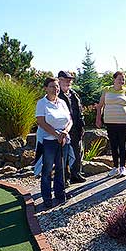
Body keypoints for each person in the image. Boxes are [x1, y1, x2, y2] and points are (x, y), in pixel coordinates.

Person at [36, 77, 72, 208]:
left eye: (57, 86)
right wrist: (56, 134)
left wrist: (65, 132)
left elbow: (70, 120)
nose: (55, 89)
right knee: (47, 170)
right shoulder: (42, 103)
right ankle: (47, 198)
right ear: (46, 88)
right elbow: (41, 122)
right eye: (52, 86)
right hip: (48, 142)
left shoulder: (62, 102)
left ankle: (60, 194)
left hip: (63, 140)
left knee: (61, 168)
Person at [96, 71, 126, 177]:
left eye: (123, 79)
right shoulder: (106, 90)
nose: (122, 81)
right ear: (114, 79)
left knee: (122, 144)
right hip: (110, 122)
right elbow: (100, 106)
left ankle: (122, 167)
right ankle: (115, 167)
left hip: (123, 122)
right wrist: (98, 118)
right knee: (113, 145)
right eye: (119, 78)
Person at [58, 70, 86, 184]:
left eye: (70, 80)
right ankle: (64, 178)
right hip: (63, 130)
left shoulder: (74, 94)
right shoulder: (56, 95)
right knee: (63, 155)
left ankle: (76, 174)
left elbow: (80, 111)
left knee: (77, 152)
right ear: (59, 80)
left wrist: (82, 126)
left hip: (76, 129)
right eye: (66, 79)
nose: (68, 82)